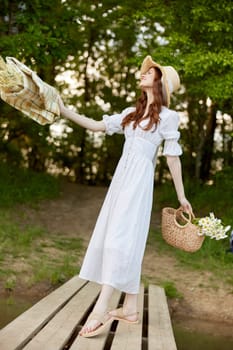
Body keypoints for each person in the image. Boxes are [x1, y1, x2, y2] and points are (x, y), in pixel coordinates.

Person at [58, 55, 192, 337]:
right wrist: (64, 110)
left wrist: (182, 196)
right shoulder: (130, 113)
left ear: (160, 82)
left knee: (120, 241)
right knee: (117, 238)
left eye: (149, 72)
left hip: (139, 185)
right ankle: (130, 308)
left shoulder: (168, 117)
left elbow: (173, 158)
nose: (142, 74)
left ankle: (101, 308)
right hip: (121, 182)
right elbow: (97, 125)